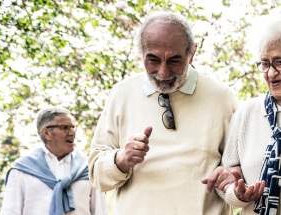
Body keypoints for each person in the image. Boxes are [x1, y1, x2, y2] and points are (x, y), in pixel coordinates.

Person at [88, 11, 239, 215]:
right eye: (153, 60)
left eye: (174, 61)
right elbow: (97, 176)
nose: (163, 73)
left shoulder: (222, 97)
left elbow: (237, 173)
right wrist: (122, 159)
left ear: (192, 53)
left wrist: (232, 177)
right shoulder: (121, 94)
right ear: (140, 53)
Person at [205, 11, 281, 215]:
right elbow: (228, 182)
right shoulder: (247, 113)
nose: (271, 73)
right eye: (265, 64)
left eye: (279, 62)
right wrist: (238, 193)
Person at [0, 107, 108, 215]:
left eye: (73, 128)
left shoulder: (89, 169)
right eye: (65, 128)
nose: (72, 133)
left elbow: (101, 211)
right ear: (47, 133)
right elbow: (10, 211)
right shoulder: (21, 171)